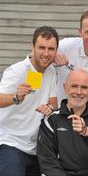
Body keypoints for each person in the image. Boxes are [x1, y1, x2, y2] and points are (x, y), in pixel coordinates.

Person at [0, 26, 59, 176]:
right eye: (41, 48)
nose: (46, 54)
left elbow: (53, 103)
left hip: (36, 148)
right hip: (11, 144)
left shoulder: (51, 71)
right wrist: (16, 97)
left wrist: (49, 109)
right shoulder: (17, 70)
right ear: (32, 47)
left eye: (51, 49)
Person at [37, 69, 88, 176]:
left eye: (84, 87)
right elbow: (48, 162)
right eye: (74, 86)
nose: (79, 92)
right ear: (65, 88)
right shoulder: (51, 120)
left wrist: (87, 132)